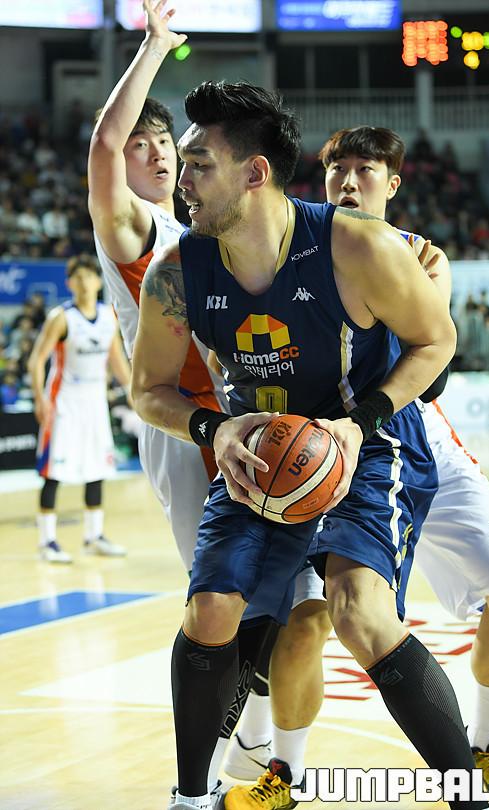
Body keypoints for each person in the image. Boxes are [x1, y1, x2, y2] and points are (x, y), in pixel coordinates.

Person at [130, 79, 489, 810]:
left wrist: (361, 423)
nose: (182, 181)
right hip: (258, 452)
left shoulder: (356, 245)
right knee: (210, 611)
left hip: (364, 442)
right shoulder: (176, 271)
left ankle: (469, 796)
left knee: (359, 611)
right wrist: (213, 427)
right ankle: (192, 797)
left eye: (199, 164)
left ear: (255, 172)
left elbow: (436, 341)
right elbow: (149, 390)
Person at [229, 126, 489, 810]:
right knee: (308, 618)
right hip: (323, 448)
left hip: (415, 436)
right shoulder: (294, 252)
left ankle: (487, 747)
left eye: (365, 170)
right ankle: (285, 773)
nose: (348, 180)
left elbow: (433, 379)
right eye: (337, 168)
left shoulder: (421, 255)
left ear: (392, 184)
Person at [87, 0, 287, 797]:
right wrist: (155, 47)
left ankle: (252, 745)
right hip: (185, 428)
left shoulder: (206, 227)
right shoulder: (132, 229)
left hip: (250, 422)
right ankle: (217, 768)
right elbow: (104, 146)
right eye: (142, 145)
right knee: (226, 603)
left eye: (165, 142)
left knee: (287, 598)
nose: (155, 153)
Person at [28, 253, 131, 563]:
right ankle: (47, 541)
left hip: (95, 403)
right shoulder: (61, 317)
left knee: (97, 467)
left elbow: (116, 360)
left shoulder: (108, 316)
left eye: (89, 276)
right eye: (78, 277)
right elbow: (36, 360)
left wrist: (133, 393)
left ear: (99, 281)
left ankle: (94, 536)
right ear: (69, 283)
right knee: (54, 472)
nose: (84, 282)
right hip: (63, 403)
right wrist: (39, 399)